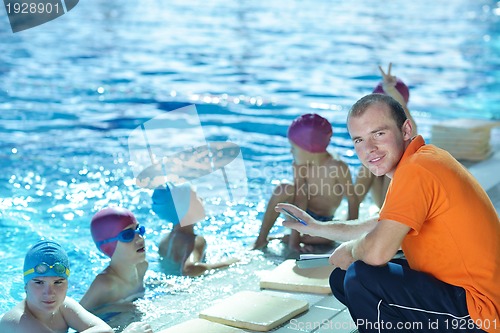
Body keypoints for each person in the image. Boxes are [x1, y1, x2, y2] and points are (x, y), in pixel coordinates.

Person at [279, 94, 500, 332]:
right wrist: (318, 227)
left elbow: (376, 253)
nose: (369, 149)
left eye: (379, 133)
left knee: (361, 277)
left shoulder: (416, 171)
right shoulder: (421, 160)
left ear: (405, 130)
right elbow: (379, 224)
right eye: (359, 140)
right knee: (343, 278)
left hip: (480, 313)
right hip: (466, 298)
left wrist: (352, 248)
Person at [252, 113, 358, 252]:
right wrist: (294, 243)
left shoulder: (337, 167)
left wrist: (350, 234)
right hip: (301, 213)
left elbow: (353, 199)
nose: (290, 151)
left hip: (322, 222)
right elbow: (300, 200)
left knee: (329, 238)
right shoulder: (300, 165)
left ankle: (296, 237)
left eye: (294, 148)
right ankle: (261, 240)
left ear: (310, 149)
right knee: (283, 189)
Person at [0, 240, 114, 333]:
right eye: (39, 283)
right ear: (26, 286)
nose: (49, 293)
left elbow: (107, 331)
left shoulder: (63, 307)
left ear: (67, 285)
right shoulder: (17, 321)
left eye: (58, 282)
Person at [355, 63, 418, 209]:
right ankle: (351, 213)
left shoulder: (407, 132)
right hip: (382, 201)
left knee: (398, 165)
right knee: (367, 164)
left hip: (394, 203)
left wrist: (390, 89)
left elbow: (404, 111)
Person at [80, 207, 152, 333]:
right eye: (128, 235)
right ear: (108, 246)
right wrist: (113, 307)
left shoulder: (142, 267)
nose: (140, 238)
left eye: (139, 229)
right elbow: (76, 315)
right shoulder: (105, 284)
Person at [152, 182, 239, 277]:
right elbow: (189, 269)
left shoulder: (165, 241)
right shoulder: (195, 241)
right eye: (196, 197)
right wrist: (228, 263)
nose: (202, 199)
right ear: (186, 208)